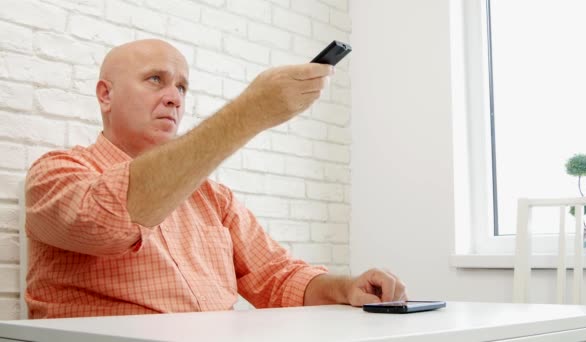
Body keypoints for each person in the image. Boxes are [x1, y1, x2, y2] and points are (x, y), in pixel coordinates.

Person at [25, 39, 407, 319]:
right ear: (105, 95)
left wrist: (346, 287)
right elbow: (109, 221)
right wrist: (251, 112)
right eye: (155, 79)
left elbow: (276, 276)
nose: (174, 97)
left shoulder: (213, 197)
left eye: (182, 86)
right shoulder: (56, 173)